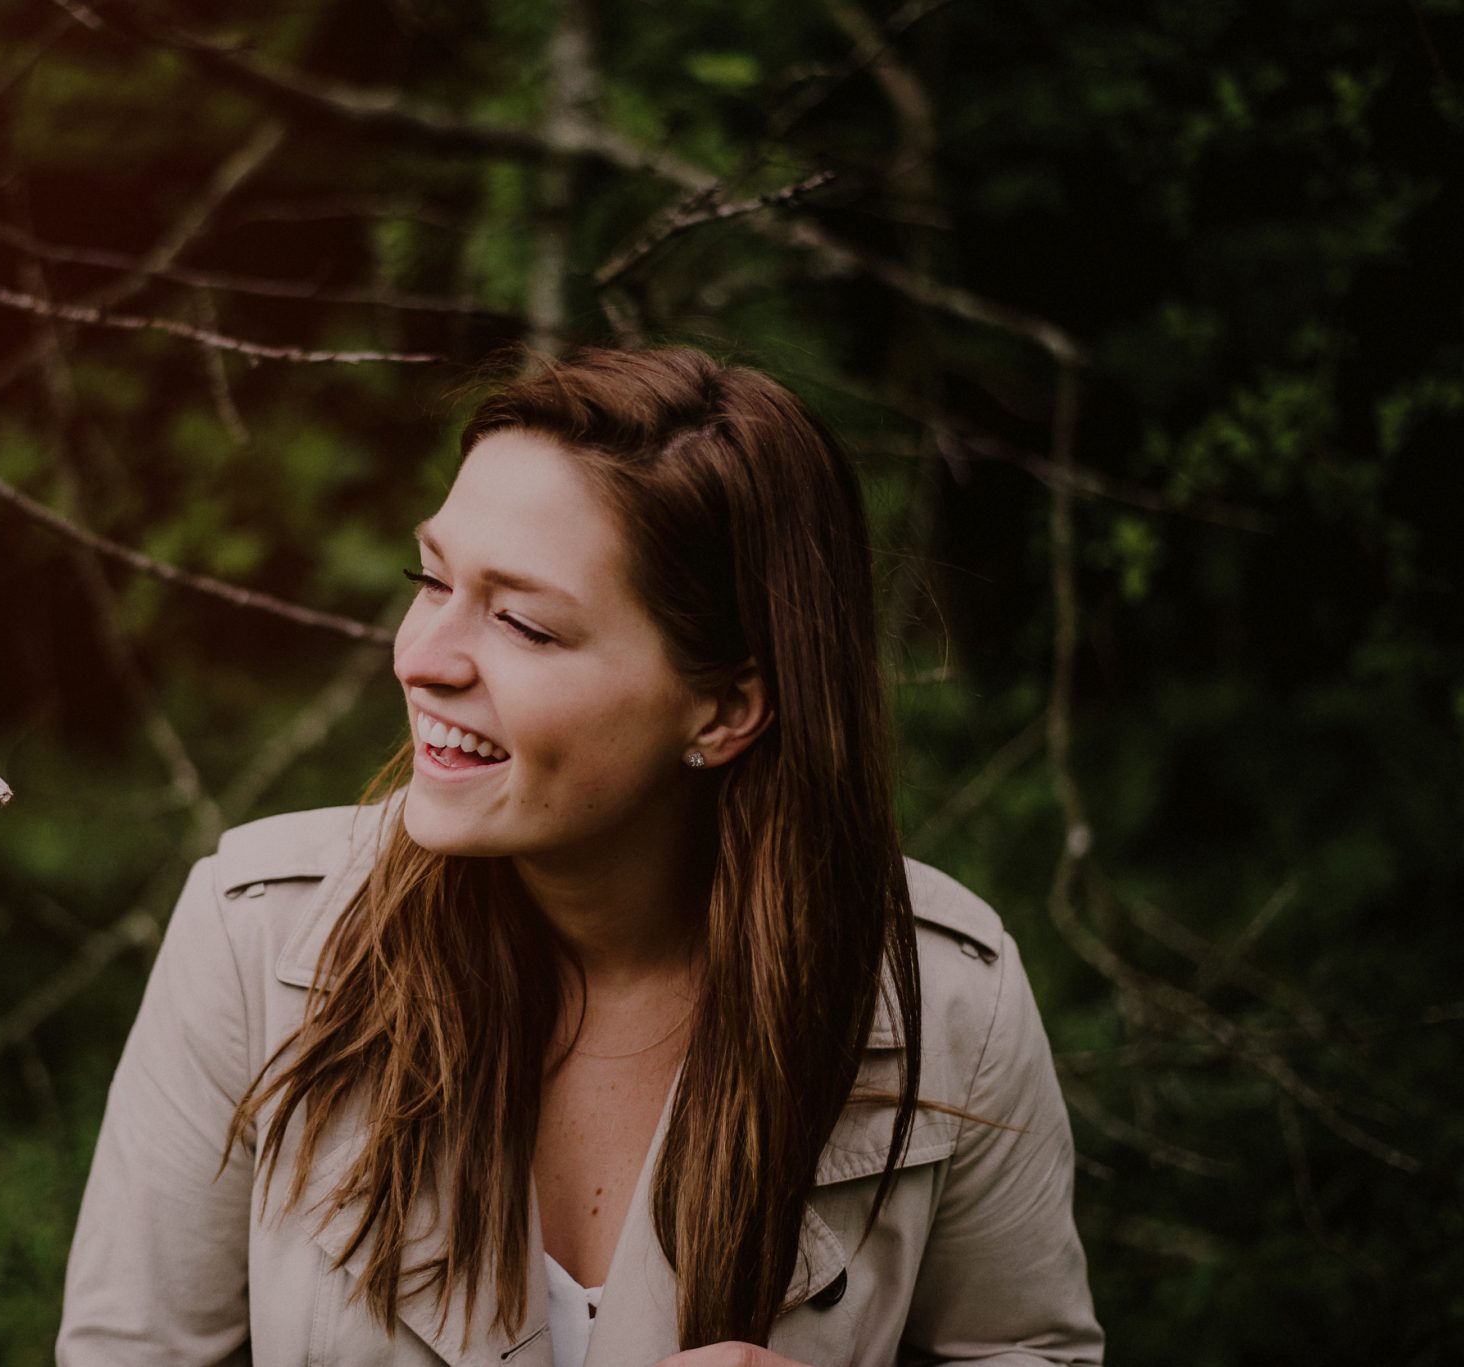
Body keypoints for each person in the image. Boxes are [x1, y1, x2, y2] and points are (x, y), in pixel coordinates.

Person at [57, 344, 1105, 1367]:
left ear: (726, 706)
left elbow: (1025, 1347)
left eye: (522, 622)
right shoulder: (256, 940)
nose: (421, 658)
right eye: (429, 579)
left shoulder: (939, 995)